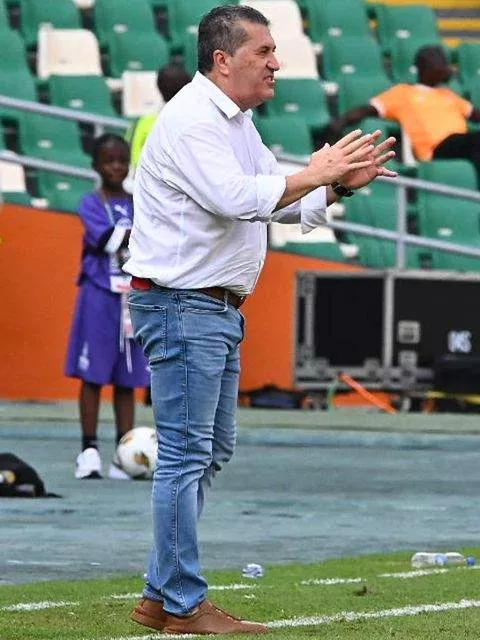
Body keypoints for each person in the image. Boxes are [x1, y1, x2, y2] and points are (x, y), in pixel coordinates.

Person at [124, 5, 396, 636]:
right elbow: (238, 199)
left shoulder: (234, 122)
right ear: (224, 59)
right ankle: (183, 602)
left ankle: (160, 595)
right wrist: (314, 174)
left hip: (208, 307)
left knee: (206, 450)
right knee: (188, 455)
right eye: (265, 51)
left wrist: (335, 187)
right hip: (185, 304)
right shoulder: (194, 119)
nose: (277, 63)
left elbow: (269, 197)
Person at [65, 134, 150, 480]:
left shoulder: (136, 201)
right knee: (93, 374)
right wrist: (142, 231)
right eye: (109, 161)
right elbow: (105, 240)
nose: (116, 167)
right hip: (99, 294)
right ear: (95, 165)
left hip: (132, 297)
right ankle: (88, 450)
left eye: (121, 160)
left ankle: (122, 452)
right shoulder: (91, 203)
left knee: (127, 376)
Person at [327, 44, 480, 183]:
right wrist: (341, 121)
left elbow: (475, 114)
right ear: (425, 67)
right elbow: (369, 109)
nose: (447, 68)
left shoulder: (448, 94)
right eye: (441, 63)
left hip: (463, 146)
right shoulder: (403, 93)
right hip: (437, 150)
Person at [127, 62, 192, 168]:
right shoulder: (196, 121)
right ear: (189, 86)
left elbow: (133, 158)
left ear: (158, 86)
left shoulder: (142, 121)